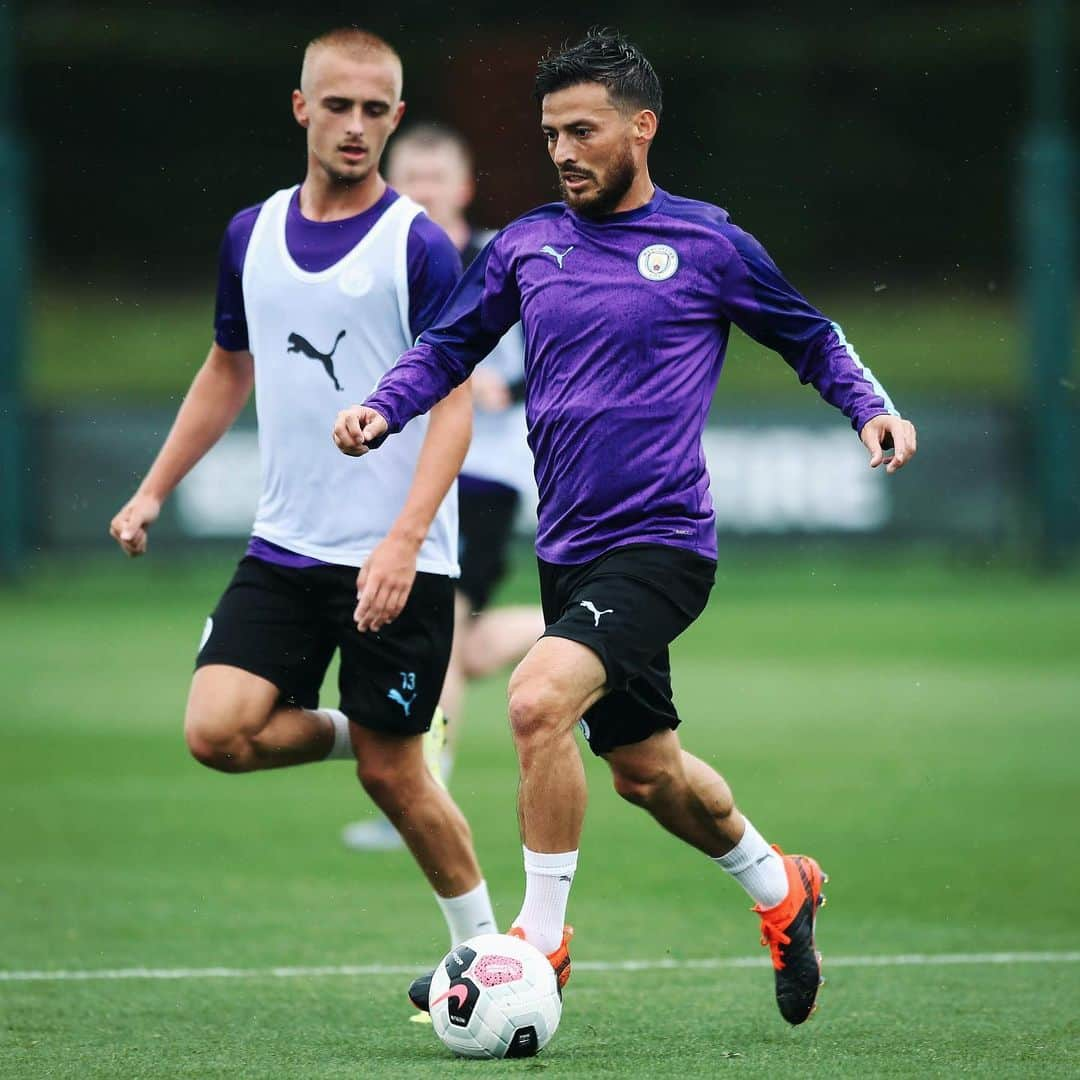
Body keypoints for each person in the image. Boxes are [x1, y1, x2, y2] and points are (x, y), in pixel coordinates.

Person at [333, 29, 918, 1026]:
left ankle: (541, 941)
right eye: (552, 133)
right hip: (567, 550)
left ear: (642, 128)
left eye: (584, 131)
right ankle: (784, 888)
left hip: (662, 544)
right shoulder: (525, 245)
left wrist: (869, 405)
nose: (563, 151)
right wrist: (385, 404)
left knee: (534, 699)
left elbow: (809, 333)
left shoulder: (708, 243)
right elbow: (449, 344)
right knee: (649, 774)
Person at [108, 27, 498, 955]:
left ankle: (491, 955)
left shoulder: (419, 247)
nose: (355, 126)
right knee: (216, 733)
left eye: (375, 111)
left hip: (392, 557)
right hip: (284, 545)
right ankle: (361, 730)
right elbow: (224, 370)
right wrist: (154, 489)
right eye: (337, 106)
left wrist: (405, 541)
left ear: (395, 118)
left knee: (397, 781)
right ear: (301, 108)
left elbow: (452, 411)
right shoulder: (251, 234)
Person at [343, 124, 543, 852]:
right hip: (407, 473)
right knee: (463, 646)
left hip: (482, 476)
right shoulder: (379, 259)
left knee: (443, 638)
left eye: (437, 176)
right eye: (411, 175)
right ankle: (587, 634)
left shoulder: (502, 256)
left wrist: (502, 383)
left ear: (463, 188)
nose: (423, 188)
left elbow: (556, 348)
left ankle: (420, 797)